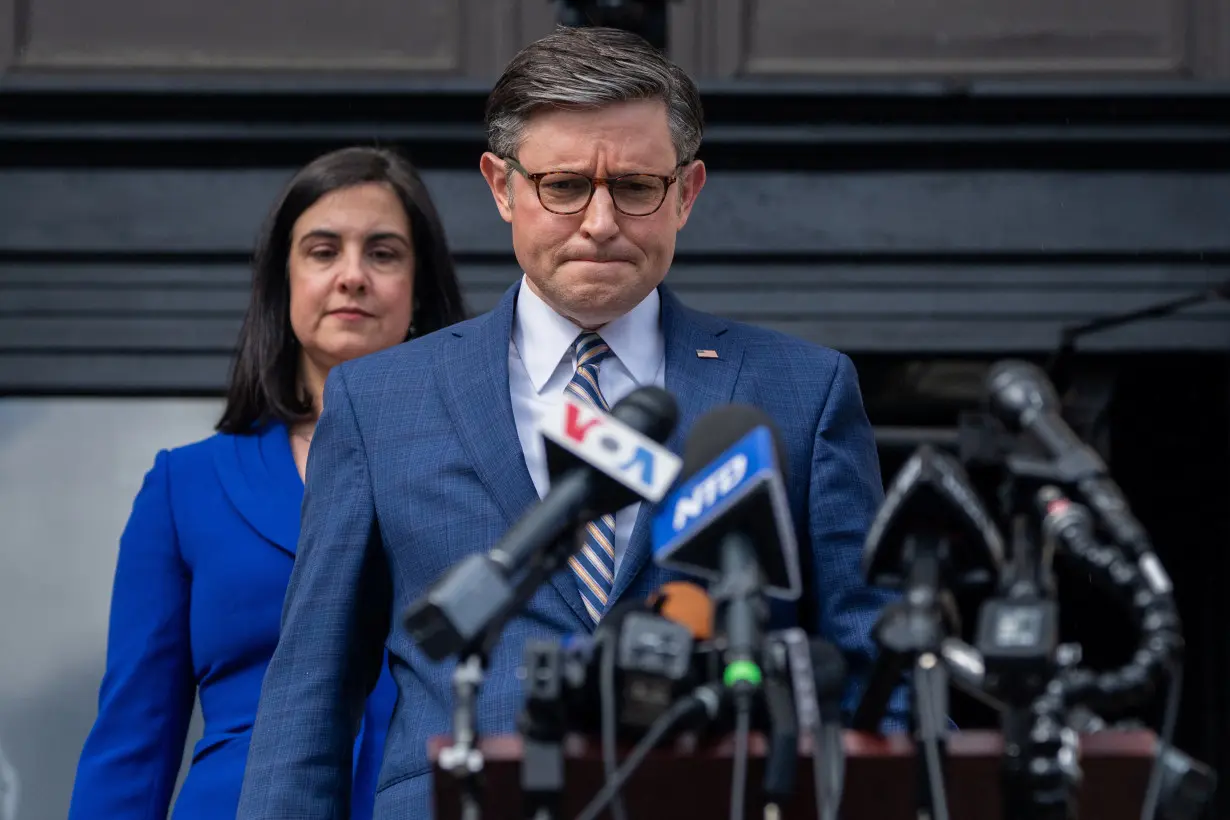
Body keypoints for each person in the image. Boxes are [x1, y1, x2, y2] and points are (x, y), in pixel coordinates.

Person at [237, 27, 905, 819]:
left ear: (687, 192)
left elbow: (873, 680)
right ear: (501, 187)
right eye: (563, 187)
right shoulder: (380, 401)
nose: (598, 222)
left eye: (634, 186)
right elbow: (310, 695)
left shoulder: (803, 389)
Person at [68, 146, 467, 820]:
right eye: (321, 251)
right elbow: (134, 741)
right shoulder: (186, 486)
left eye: (383, 253)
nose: (352, 276)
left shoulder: (484, 469)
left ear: (419, 287)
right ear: (283, 283)